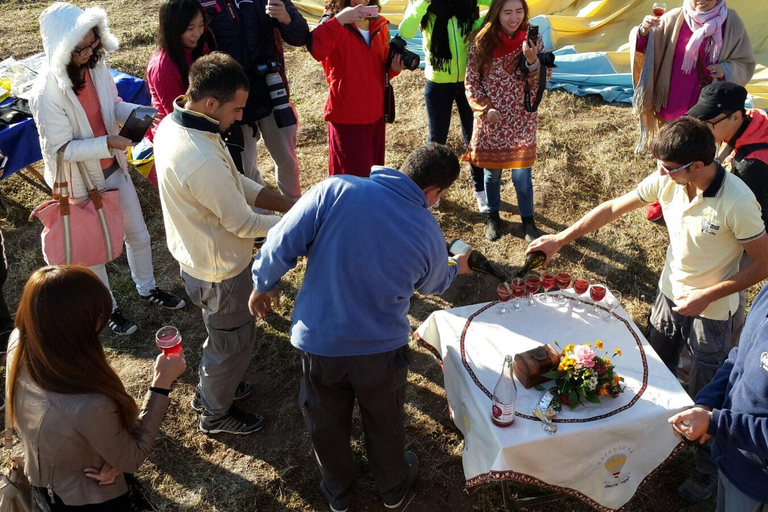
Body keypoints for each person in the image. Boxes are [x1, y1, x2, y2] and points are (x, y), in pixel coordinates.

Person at [528, 116, 768, 503]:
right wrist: (561, 237)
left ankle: (707, 469)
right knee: (656, 366)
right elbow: (612, 208)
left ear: (697, 166)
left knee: (705, 391)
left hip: (713, 313)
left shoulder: (738, 201)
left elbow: (763, 265)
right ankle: (653, 436)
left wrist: (709, 295)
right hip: (668, 296)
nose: (660, 173)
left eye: (668, 168)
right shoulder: (671, 179)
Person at [249, 143, 472, 512]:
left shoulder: (335, 189)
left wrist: (263, 282)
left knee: (325, 422)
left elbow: (282, 240)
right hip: (380, 352)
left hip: (319, 343)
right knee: (385, 420)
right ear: (435, 192)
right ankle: (394, 489)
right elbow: (433, 285)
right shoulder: (427, 229)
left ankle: (338, 494)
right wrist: (455, 266)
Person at [153, 52, 294, 435]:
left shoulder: (177, 122)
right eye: (236, 109)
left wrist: (285, 202)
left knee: (220, 337)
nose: (240, 117)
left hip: (195, 257)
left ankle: (214, 388)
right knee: (231, 345)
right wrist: (293, 223)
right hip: (221, 270)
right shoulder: (199, 156)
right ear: (211, 102)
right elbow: (242, 221)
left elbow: (235, 184)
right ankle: (214, 413)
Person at [29, 2, 186, 335]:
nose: (88, 52)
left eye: (92, 42)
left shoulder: (96, 67)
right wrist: (106, 144)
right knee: (94, 250)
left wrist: (134, 112)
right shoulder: (46, 92)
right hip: (78, 181)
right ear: (61, 49)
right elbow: (59, 149)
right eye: (80, 48)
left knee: (139, 234)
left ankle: (148, 288)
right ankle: (109, 309)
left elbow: (110, 105)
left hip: (112, 168)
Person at [7, 265, 187, 511]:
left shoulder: (18, 341)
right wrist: (161, 383)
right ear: (75, 330)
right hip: (92, 498)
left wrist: (110, 455)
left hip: (45, 482)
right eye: (96, 317)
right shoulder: (88, 403)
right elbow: (132, 457)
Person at [668, 282, 768, 512]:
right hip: (730, 456)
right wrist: (707, 402)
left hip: (758, 483)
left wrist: (716, 423)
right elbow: (739, 355)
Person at [687, 81, 768, 348]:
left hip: (756, 229)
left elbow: (752, 221)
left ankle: (726, 349)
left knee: (730, 288)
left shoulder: (751, 165)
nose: (703, 128)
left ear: (736, 116)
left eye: (709, 124)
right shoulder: (754, 118)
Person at [202, 0, 308, 199]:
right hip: (230, 100)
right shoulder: (203, 4)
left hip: (272, 93)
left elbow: (300, 36)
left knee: (287, 161)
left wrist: (286, 18)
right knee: (246, 169)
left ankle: (295, 212)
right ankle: (262, 223)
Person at [463, 0, 550, 242]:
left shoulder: (532, 39)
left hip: (522, 117)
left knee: (522, 176)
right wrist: (485, 108)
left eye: (519, 11)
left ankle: (528, 220)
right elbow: (471, 81)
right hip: (493, 119)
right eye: (508, 12)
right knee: (492, 174)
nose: (514, 18)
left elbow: (544, 76)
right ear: (496, 12)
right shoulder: (482, 41)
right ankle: (492, 216)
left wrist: (533, 61)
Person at [399, 0, 491, 211]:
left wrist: (479, 26)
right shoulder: (424, 4)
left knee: (474, 137)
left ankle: (480, 190)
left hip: (469, 80)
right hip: (438, 81)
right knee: (437, 139)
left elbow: (499, 3)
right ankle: (433, 190)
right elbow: (406, 30)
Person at [630, 0, 754, 152]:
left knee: (701, 151)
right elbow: (645, 49)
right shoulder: (673, 18)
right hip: (673, 101)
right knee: (669, 150)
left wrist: (726, 69)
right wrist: (644, 31)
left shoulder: (731, 21)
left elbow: (745, 61)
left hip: (707, 105)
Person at [307, 0, 404, 177]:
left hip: (376, 116)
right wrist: (339, 20)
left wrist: (394, 69)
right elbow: (317, 49)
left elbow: (380, 67)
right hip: (347, 116)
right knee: (349, 182)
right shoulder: (332, 21)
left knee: (373, 179)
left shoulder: (379, 23)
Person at [133, 0, 214, 185]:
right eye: (190, 28)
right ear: (173, 28)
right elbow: (178, 114)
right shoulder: (162, 66)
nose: (197, 33)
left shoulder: (199, 48)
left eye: (201, 25)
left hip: (202, 129)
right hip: (177, 139)